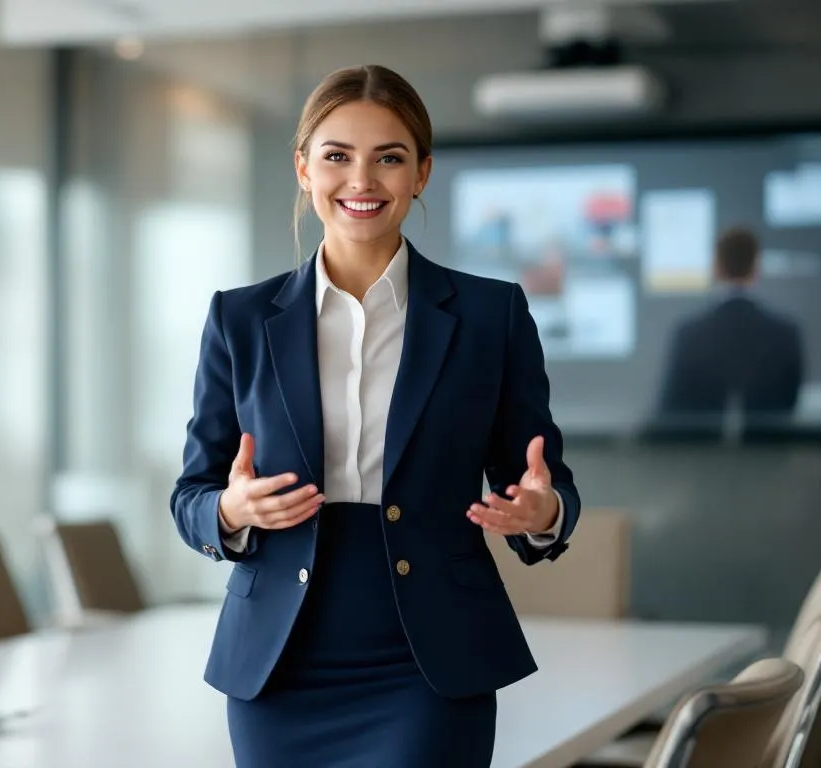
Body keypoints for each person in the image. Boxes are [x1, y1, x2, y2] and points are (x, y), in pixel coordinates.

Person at [169, 64, 581, 767]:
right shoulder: (239, 320)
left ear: (421, 173)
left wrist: (541, 514)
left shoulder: (490, 316)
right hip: (280, 664)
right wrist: (232, 512)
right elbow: (192, 497)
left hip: (429, 660)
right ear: (303, 168)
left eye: (388, 158)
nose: (361, 181)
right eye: (337, 156)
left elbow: (545, 487)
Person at [650, 227, 804, 442]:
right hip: (770, 461)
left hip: (700, 464)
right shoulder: (785, 333)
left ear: (716, 266)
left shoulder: (690, 335)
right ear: (755, 267)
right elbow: (789, 406)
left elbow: (670, 411)